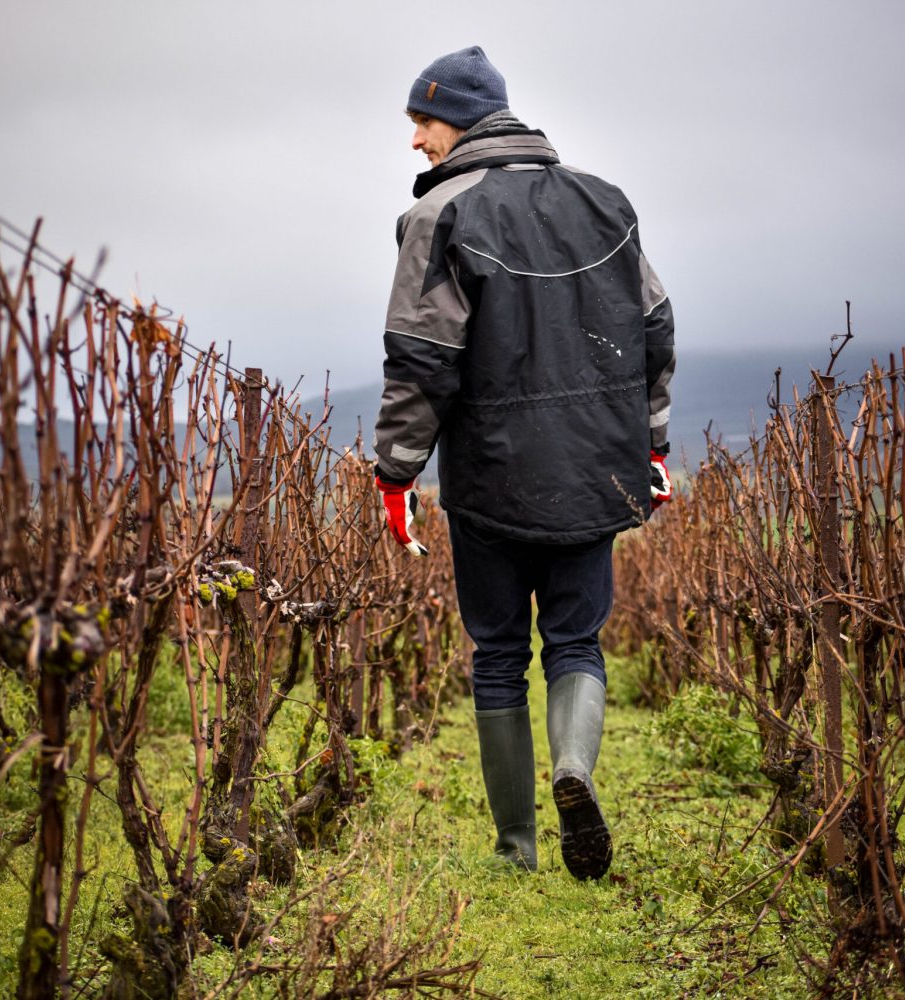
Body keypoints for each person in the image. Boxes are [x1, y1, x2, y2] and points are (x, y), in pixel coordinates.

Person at [373, 45, 674, 880]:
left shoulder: (439, 219)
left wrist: (394, 474)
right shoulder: (604, 202)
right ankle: (573, 768)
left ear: (462, 119)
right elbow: (654, 330)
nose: (415, 142)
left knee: (499, 651)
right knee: (575, 641)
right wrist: (649, 445)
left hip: (490, 480)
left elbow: (420, 358)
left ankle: (516, 849)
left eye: (422, 122)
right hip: (593, 475)